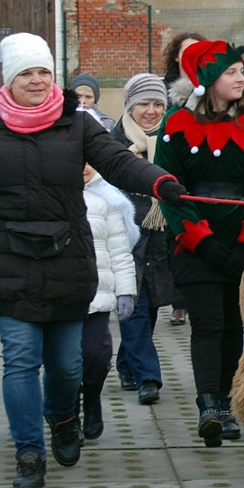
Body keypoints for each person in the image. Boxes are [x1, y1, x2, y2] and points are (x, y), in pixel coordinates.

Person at [0, 32, 187, 488]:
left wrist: (161, 182)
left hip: (66, 257)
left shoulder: (77, 123)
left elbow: (117, 161)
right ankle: (28, 451)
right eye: (25, 73)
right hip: (7, 259)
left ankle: (64, 417)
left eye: (43, 72)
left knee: (68, 365)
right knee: (20, 360)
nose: (35, 80)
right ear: (9, 78)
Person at [154, 39, 244, 447]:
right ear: (206, 79)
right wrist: (200, 241)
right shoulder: (175, 124)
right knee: (207, 323)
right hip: (196, 241)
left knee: (233, 325)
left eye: (240, 71)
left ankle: (228, 403)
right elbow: (169, 188)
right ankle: (209, 403)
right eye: (230, 72)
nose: (240, 77)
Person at [110, 73, 171, 405]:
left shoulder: (172, 139)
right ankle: (149, 376)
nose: (150, 111)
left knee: (149, 309)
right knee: (133, 305)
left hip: (160, 235)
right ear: (130, 105)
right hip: (125, 233)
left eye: (157, 104)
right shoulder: (112, 141)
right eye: (143, 104)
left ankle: (126, 365)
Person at [79, 162, 139, 440]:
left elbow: (120, 250)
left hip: (98, 295)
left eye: (89, 160)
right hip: (58, 295)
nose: (83, 167)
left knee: (98, 353)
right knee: (64, 362)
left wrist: (125, 290)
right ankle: (64, 413)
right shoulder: (48, 195)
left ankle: (91, 397)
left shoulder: (108, 199)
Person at [161, 31, 207, 326]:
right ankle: (178, 300)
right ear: (176, 55)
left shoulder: (212, 88)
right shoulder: (165, 89)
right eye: (185, 51)